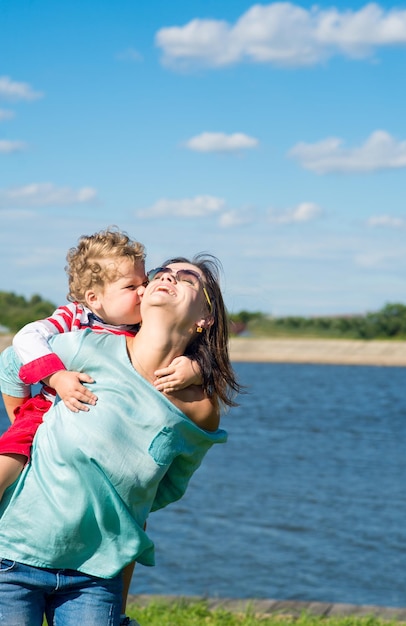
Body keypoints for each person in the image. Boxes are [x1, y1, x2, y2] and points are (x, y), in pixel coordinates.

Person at [0, 254, 240, 625]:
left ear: (204, 319)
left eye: (187, 279)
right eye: (163, 273)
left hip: (97, 576)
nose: (168, 278)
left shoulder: (200, 408)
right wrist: (26, 427)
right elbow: (12, 363)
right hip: (12, 555)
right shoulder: (84, 345)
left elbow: (159, 493)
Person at [0, 228, 201, 499]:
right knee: (7, 467)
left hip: (104, 434)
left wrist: (195, 369)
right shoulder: (74, 319)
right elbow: (26, 338)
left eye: (144, 282)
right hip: (45, 412)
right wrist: (56, 376)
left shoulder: (142, 328)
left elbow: (177, 350)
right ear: (94, 298)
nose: (143, 291)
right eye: (131, 287)